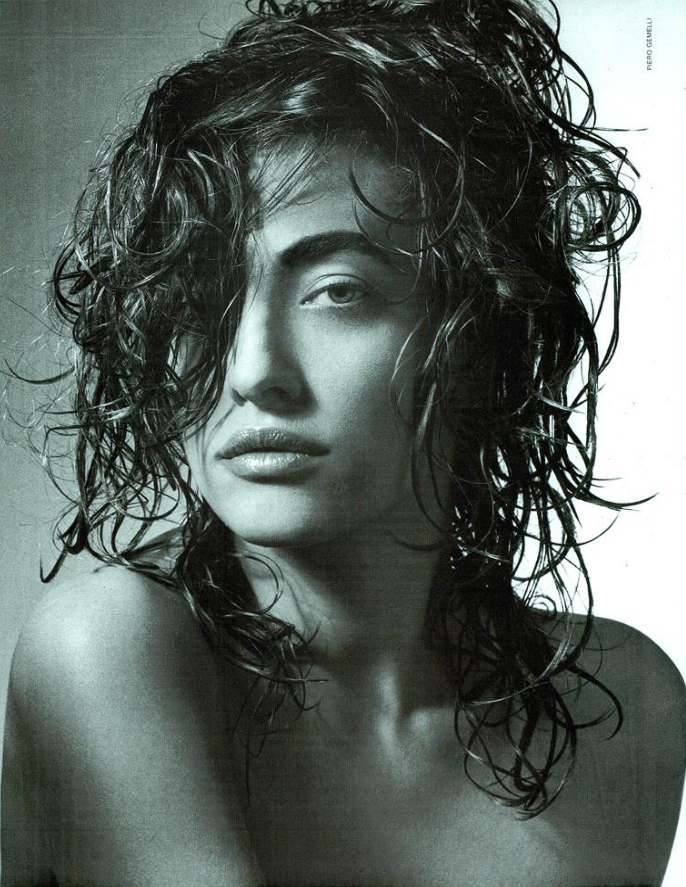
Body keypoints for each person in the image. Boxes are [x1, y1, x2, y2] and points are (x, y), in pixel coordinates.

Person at [2, 0, 685, 884]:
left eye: (337, 291)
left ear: (479, 335)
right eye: (201, 297)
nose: (253, 371)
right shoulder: (107, 648)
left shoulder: (623, 704)